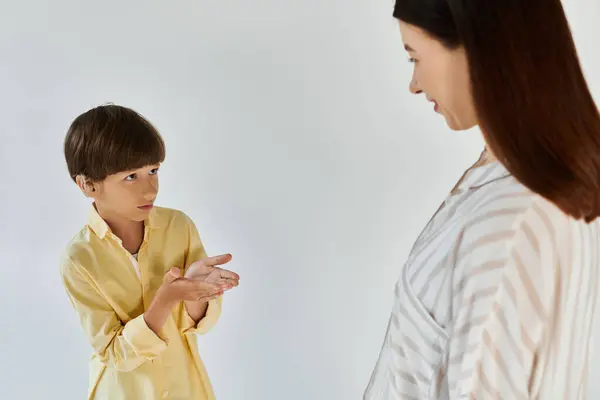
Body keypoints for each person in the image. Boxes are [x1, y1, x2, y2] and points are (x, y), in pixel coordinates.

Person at [364, 0, 600, 398]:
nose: (415, 83)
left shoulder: (510, 220)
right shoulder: (508, 183)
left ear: (478, 49)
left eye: (415, 58)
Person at [59, 104, 240, 400]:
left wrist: (197, 293)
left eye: (153, 170)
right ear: (88, 185)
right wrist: (166, 299)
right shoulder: (79, 260)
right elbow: (115, 354)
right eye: (131, 176)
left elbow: (195, 328)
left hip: (188, 389)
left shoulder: (179, 226)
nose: (150, 189)